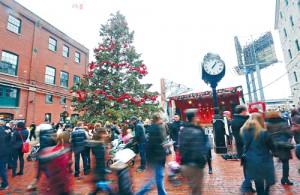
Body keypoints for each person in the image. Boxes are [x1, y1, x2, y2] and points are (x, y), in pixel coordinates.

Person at [241, 113, 275, 195]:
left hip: (251, 159)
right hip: (264, 159)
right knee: (268, 179)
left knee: (258, 182)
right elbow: (272, 146)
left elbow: (245, 145)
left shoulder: (244, 130)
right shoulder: (264, 132)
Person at [179, 109, 210, 195]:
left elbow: (180, 147)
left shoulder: (183, 130)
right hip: (195, 165)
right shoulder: (197, 131)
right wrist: (202, 161)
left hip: (185, 164)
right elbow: (199, 149)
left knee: (193, 188)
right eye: (196, 116)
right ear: (193, 118)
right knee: (196, 190)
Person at [136, 113, 167, 195]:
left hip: (154, 157)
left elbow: (153, 143)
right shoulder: (156, 128)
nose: (162, 120)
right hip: (156, 158)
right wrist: (164, 146)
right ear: (158, 119)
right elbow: (155, 145)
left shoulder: (153, 128)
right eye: (161, 119)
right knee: (155, 180)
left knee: (157, 179)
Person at [230, 105, 254, 193]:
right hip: (249, 147)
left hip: (240, 147)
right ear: (243, 111)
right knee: (252, 167)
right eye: (246, 111)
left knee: (246, 166)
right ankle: (246, 186)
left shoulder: (233, 121)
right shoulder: (247, 121)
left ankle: (249, 186)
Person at [265, 111, 294, 185]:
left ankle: (269, 179)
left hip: (270, 145)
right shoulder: (283, 123)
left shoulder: (266, 124)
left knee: (269, 162)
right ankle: (285, 178)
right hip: (283, 145)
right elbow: (289, 133)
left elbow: (264, 134)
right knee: (285, 162)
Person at [27, 121, 57, 190]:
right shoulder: (52, 135)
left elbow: (43, 147)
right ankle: (34, 184)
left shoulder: (43, 137)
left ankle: (50, 185)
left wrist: (35, 154)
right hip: (50, 155)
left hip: (44, 156)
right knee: (41, 171)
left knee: (44, 171)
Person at [0, 120, 11, 190]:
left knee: (2, 169)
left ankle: (5, 184)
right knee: (2, 168)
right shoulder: (5, 130)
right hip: (5, 151)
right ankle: (4, 183)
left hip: (1, 152)